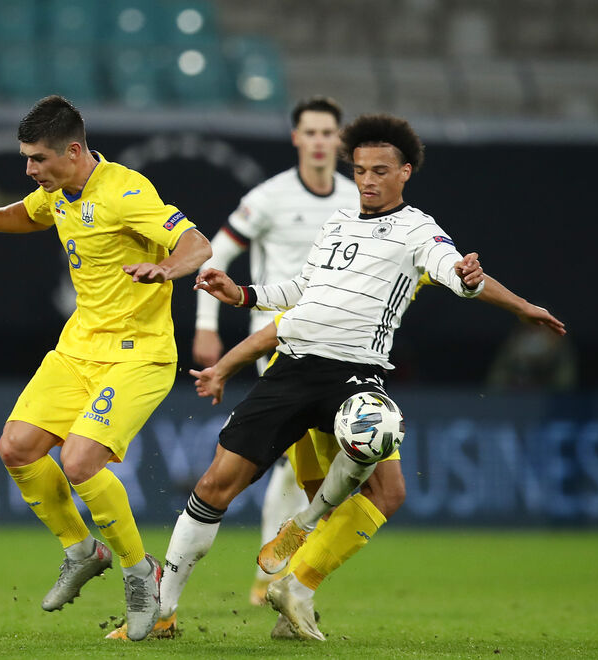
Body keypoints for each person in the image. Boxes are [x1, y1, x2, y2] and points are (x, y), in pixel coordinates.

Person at [144, 112, 527, 642]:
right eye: (362, 169)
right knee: (217, 483)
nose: (367, 180)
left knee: (385, 489)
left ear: (405, 172)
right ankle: (162, 612)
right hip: (293, 366)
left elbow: (449, 271)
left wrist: (471, 282)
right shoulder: (339, 223)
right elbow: (303, 289)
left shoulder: (418, 228)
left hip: (355, 378)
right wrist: (244, 295)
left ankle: (296, 585)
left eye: (379, 170)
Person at [0, 95, 211, 641]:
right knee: (16, 447)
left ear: (73, 150)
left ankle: (143, 574)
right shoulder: (59, 191)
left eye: (37, 159)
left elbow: (196, 243)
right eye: (26, 158)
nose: (29, 169)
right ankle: (81, 549)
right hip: (77, 349)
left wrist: (165, 268)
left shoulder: (126, 191)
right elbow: (31, 213)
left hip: (139, 353)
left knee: (80, 460)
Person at [190, 270, 566, 639]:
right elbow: (284, 320)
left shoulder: (407, 241)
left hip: (355, 389)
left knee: (375, 498)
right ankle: (298, 569)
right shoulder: (346, 243)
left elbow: (465, 279)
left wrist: (517, 304)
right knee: (341, 507)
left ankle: (298, 573)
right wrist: (233, 328)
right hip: (300, 383)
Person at [192, 97, 361, 606]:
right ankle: (275, 577)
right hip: (280, 340)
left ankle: (285, 568)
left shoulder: (356, 199)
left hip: (341, 345)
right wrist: (206, 324)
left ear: (339, 140)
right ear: (296, 139)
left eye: (327, 133)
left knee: (323, 463)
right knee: (293, 460)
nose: (318, 141)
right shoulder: (268, 197)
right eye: (309, 132)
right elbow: (216, 253)